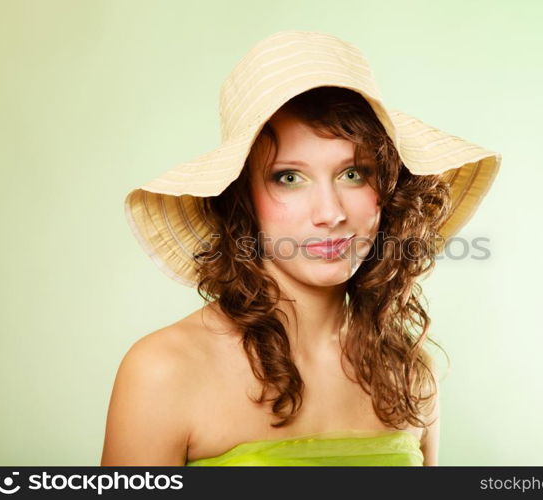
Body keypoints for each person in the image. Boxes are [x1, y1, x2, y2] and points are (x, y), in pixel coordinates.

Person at [102, 30, 501, 466]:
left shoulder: (410, 372)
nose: (330, 213)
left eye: (354, 174)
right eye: (289, 177)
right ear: (243, 199)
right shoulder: (164, 371)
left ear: (388, 190)